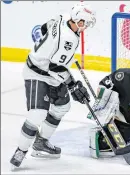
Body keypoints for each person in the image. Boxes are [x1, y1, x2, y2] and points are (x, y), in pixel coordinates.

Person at [10, 2, 96, 168]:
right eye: (85, 23)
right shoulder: (69, 39)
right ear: (78, 20)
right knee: (37, 114)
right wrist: (72, 84)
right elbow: (55, 66)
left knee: (62, 106)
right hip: (37, 72)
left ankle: (41, 142)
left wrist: (49, 48)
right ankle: (21, 150)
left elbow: (44, 28)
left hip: (51, 72)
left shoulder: (63, 17)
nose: (85, 27)